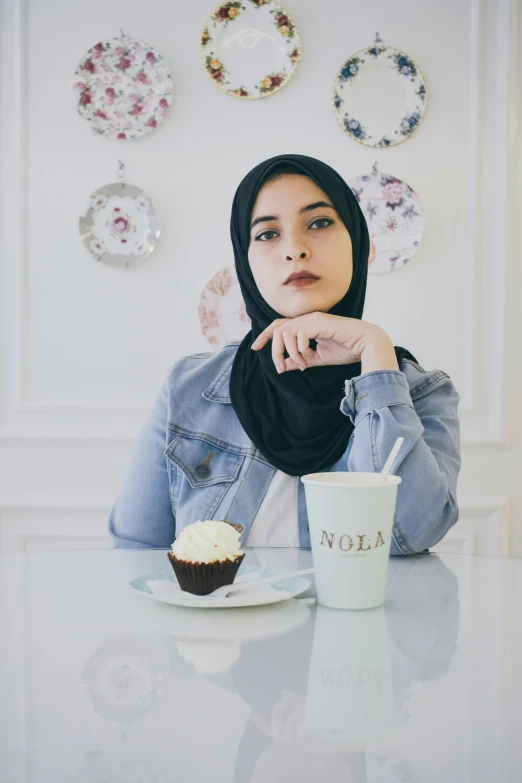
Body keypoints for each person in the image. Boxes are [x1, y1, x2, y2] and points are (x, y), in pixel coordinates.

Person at [108, 154, 461, 555]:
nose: (295, 249)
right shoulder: (189, 388)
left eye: (320, 223)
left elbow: (410, 535)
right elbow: (136, 553)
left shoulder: (423, 393)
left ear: (359, 245)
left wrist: (374, 354)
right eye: (267, 234)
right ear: (246, 263)